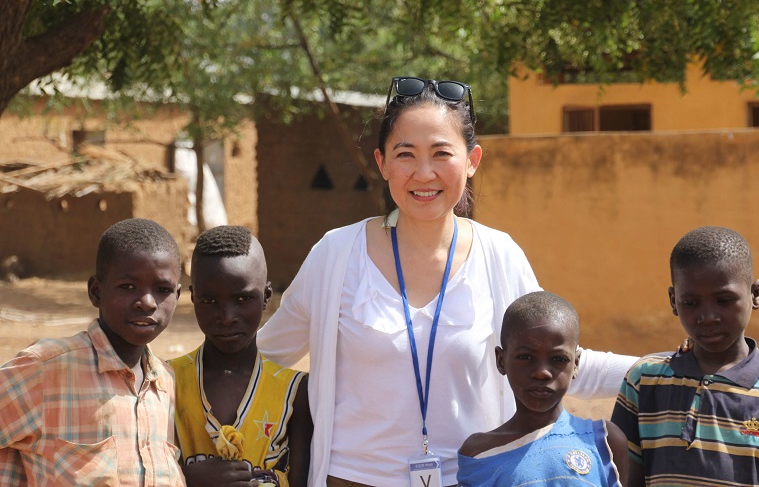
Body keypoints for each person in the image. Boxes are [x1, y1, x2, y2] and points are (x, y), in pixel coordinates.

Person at [256, 76, 639, 486]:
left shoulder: (499, 255)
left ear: (472, 160)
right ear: (382, 162)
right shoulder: (337, 254)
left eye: (442, 153)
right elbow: (263, 358)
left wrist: (671, 369)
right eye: (405, 154)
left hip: (474, 478)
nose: (424, 173)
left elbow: (553, 358)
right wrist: (177, 385)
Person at [0, 218, 185, 485]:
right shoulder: (46, 370)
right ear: (96, 292)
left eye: (163, 290)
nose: (147, 302)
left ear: (177, 296)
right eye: (128, 287)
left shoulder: (166, 383)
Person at [611, 226, 759, 487]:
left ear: (755, 294)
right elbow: (626, 478)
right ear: (673, 301)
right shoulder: (643, 380)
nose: (708, 317)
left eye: (724, 300)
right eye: (691, 303)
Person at [170, 225, 312, 486]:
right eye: (210, 301)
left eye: (243, 299)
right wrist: (185, 479)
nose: (227, 317)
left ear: (267, 296)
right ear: (193, 298)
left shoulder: (295, 392)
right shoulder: (164, 381)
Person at [457, 291, 628, 486]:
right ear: (501, 360)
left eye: (558, 359)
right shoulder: (480, 454)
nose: (542, 372)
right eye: (526, 357)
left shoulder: (604, 440)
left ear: (576, 364)